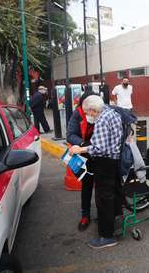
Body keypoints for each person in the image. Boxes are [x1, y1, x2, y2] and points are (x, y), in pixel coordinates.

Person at [69, 95, 124, 249]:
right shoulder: (112, 113)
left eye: (88, 113)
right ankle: (113, 224)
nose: (88, 116)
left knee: (103, 198)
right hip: (114, 161)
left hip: (105, 162)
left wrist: (79, 148)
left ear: (93, 110)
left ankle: (107, 237)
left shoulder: (101, 120)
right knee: (111, 195)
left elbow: (99, 148)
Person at [67, 90, 95, 231]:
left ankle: (109, 212)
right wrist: (83, 145)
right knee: (87, 185)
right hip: (85, 154)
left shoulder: (101, 111)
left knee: (105, 184)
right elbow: (70, 135)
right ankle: (85, 215)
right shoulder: (77, 114)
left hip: (101, 153)